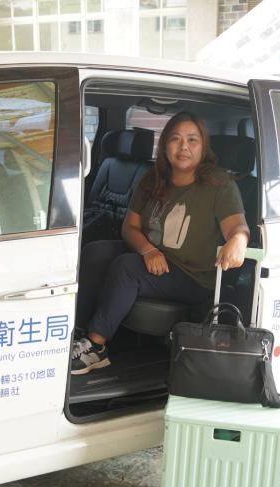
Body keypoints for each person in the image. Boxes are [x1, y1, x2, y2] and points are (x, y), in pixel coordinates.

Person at [71, 111, 250, 375]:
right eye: (176, 139)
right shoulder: (152, 180)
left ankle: (96, 348)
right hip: (156, 255)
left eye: (192, 140)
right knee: (96, 252)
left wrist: (238, 240)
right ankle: (78, 334)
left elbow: (237, 227)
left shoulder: (219, 184)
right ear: (165, 145)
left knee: (127, 267)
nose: (184, 147)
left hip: (193, 275)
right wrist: (148, 250)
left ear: (203, 147)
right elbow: (130, 227)